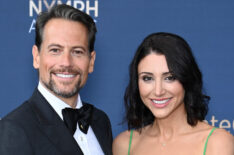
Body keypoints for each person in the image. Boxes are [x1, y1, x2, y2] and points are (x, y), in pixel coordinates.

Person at [0, 4, 112, 155]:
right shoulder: (14, 129)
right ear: (36, 57)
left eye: (77, 52)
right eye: (55, 50)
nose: (66, 62)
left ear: (91, 61)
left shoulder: (100, 121)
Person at [113, 32, 234, 155]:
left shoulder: (217, 143)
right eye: (147, 78)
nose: (158, 91)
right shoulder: (124, 144)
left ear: (187, 79)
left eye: (169, 78)